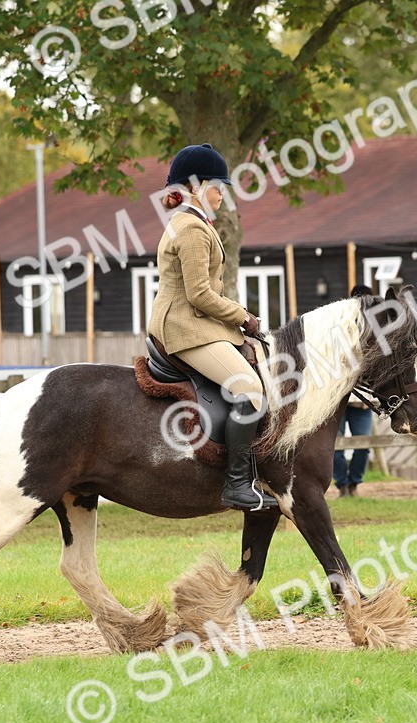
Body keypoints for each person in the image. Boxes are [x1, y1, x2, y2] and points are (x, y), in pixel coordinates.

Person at [148, 143, 278, 512]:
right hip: (185, 327)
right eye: (218, 186)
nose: (223, 194)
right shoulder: (190, 228)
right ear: (196, 186)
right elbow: (200, 294)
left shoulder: (191, 224)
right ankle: (237, 485)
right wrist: (244, 317)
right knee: (250, 390)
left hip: (193, 323)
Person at [334, 399, 373, 497]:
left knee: (363, 446)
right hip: (335, 403)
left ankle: (353, 483)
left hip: (362, 404)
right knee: (335, 446)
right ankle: (342, 484)